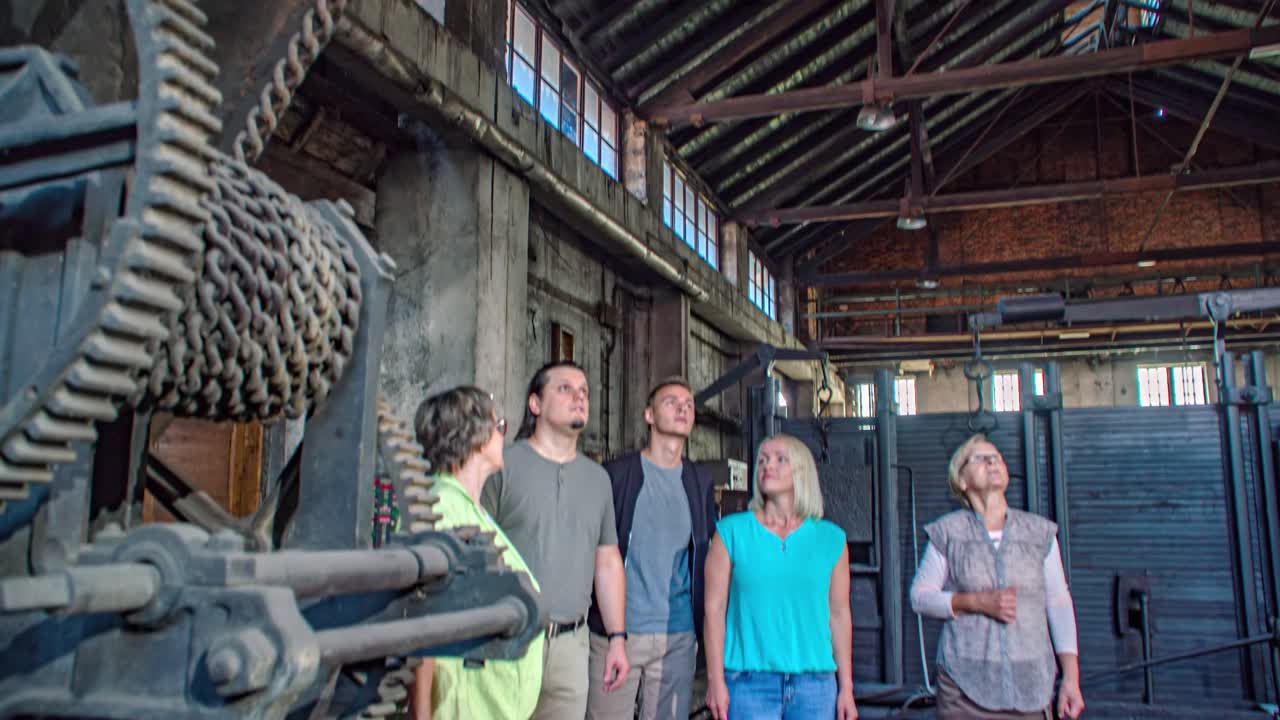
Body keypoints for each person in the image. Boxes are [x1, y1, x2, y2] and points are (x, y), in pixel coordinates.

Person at [482, 360, 630, 719]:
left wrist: (617, 639)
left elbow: (607, 561)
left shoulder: (597, 479)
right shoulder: (500, 464)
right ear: (535, 404)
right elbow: (472, 546)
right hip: (506, 639)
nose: (579, 397)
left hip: (571, 647)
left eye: (584, 392)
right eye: (565, 388)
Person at [909, 434, 1085, 720]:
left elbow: (1058, 602)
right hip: (964, 689)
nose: (992, 461)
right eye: (979, 458)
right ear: (961, 481)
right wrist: (976, 602)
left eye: (997, 457)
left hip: (1032, 686)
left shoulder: (1039, 533)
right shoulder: (948, 532)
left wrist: (1071, 678)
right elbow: (920, 597)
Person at [586, 377, 717, 719]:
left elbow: (703, 558)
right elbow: (597, 552)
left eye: (688, 404)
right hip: (617, 634)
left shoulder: (699, 482)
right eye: (671, 402)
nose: (683, 408)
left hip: (677, 637)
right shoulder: (615, 475)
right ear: (648, 415)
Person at [408, 386, 543, 719]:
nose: (503, 437)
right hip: (463, 705)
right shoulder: (440, 508)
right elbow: (421, 625)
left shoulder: (471, 509)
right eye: (500, 427)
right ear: (477, 437)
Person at [704, 434, 857, 720]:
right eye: (762, 460)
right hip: (748, 684)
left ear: (802, 471)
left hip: (815, 685)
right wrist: (715, 680)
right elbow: (713, 610)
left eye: (780, 459)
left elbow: (839, 615)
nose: (767, 466)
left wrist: (845, 687)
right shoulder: (730, 532)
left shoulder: (831, 538)